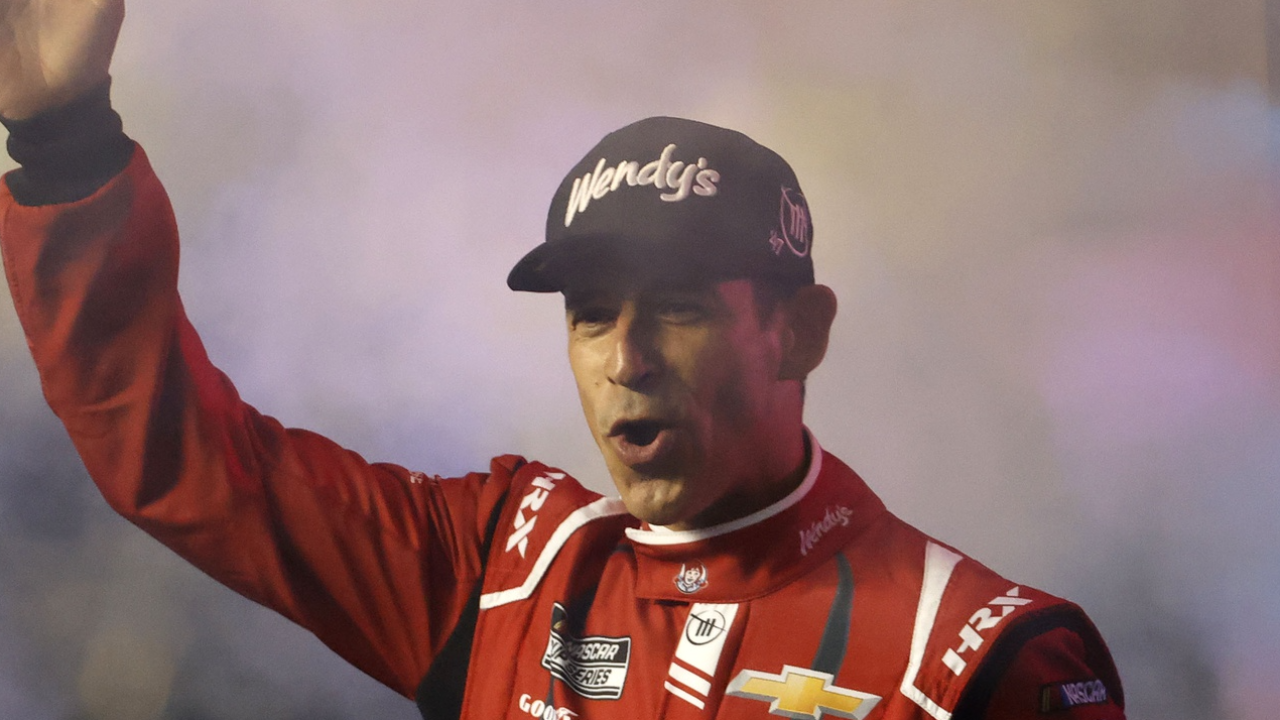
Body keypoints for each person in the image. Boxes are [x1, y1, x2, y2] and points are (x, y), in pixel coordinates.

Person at [0, 2, 1127, 718]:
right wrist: (62, 144)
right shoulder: (503, 569)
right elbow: (184, 460)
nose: (625, 359)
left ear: (799, 331)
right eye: (591, 314)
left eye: (676, 308)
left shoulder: (979, 658)